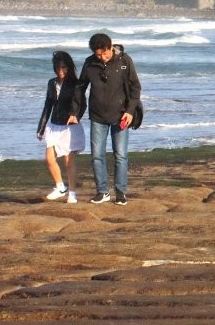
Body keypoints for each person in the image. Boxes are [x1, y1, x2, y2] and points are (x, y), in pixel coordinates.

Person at [79, 32, 141, 205]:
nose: (102, 57)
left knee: (120, 155)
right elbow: (80, 87)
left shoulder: (124, 61)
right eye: (98, 54)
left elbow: (135, 88)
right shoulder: (90, 63)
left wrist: (129, 111)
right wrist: (74, 113)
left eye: (104, 53)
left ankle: (120, 192)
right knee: (97, 155)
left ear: (110, 46)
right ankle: (102, 191)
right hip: (97, 117)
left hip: (121, 116)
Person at [36, 51, 86, 203]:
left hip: (70, 128)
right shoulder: (51, 83)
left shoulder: (76, 84)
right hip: (54, 125)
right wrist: (41, 126)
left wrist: (75, 115)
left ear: (69, 67)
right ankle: (60, 187)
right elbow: (48, 105)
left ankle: (72, 192)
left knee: (68, 162)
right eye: (57, 68)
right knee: (49, 159)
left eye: (64, 67)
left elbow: (82, 104)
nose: (61, 71)